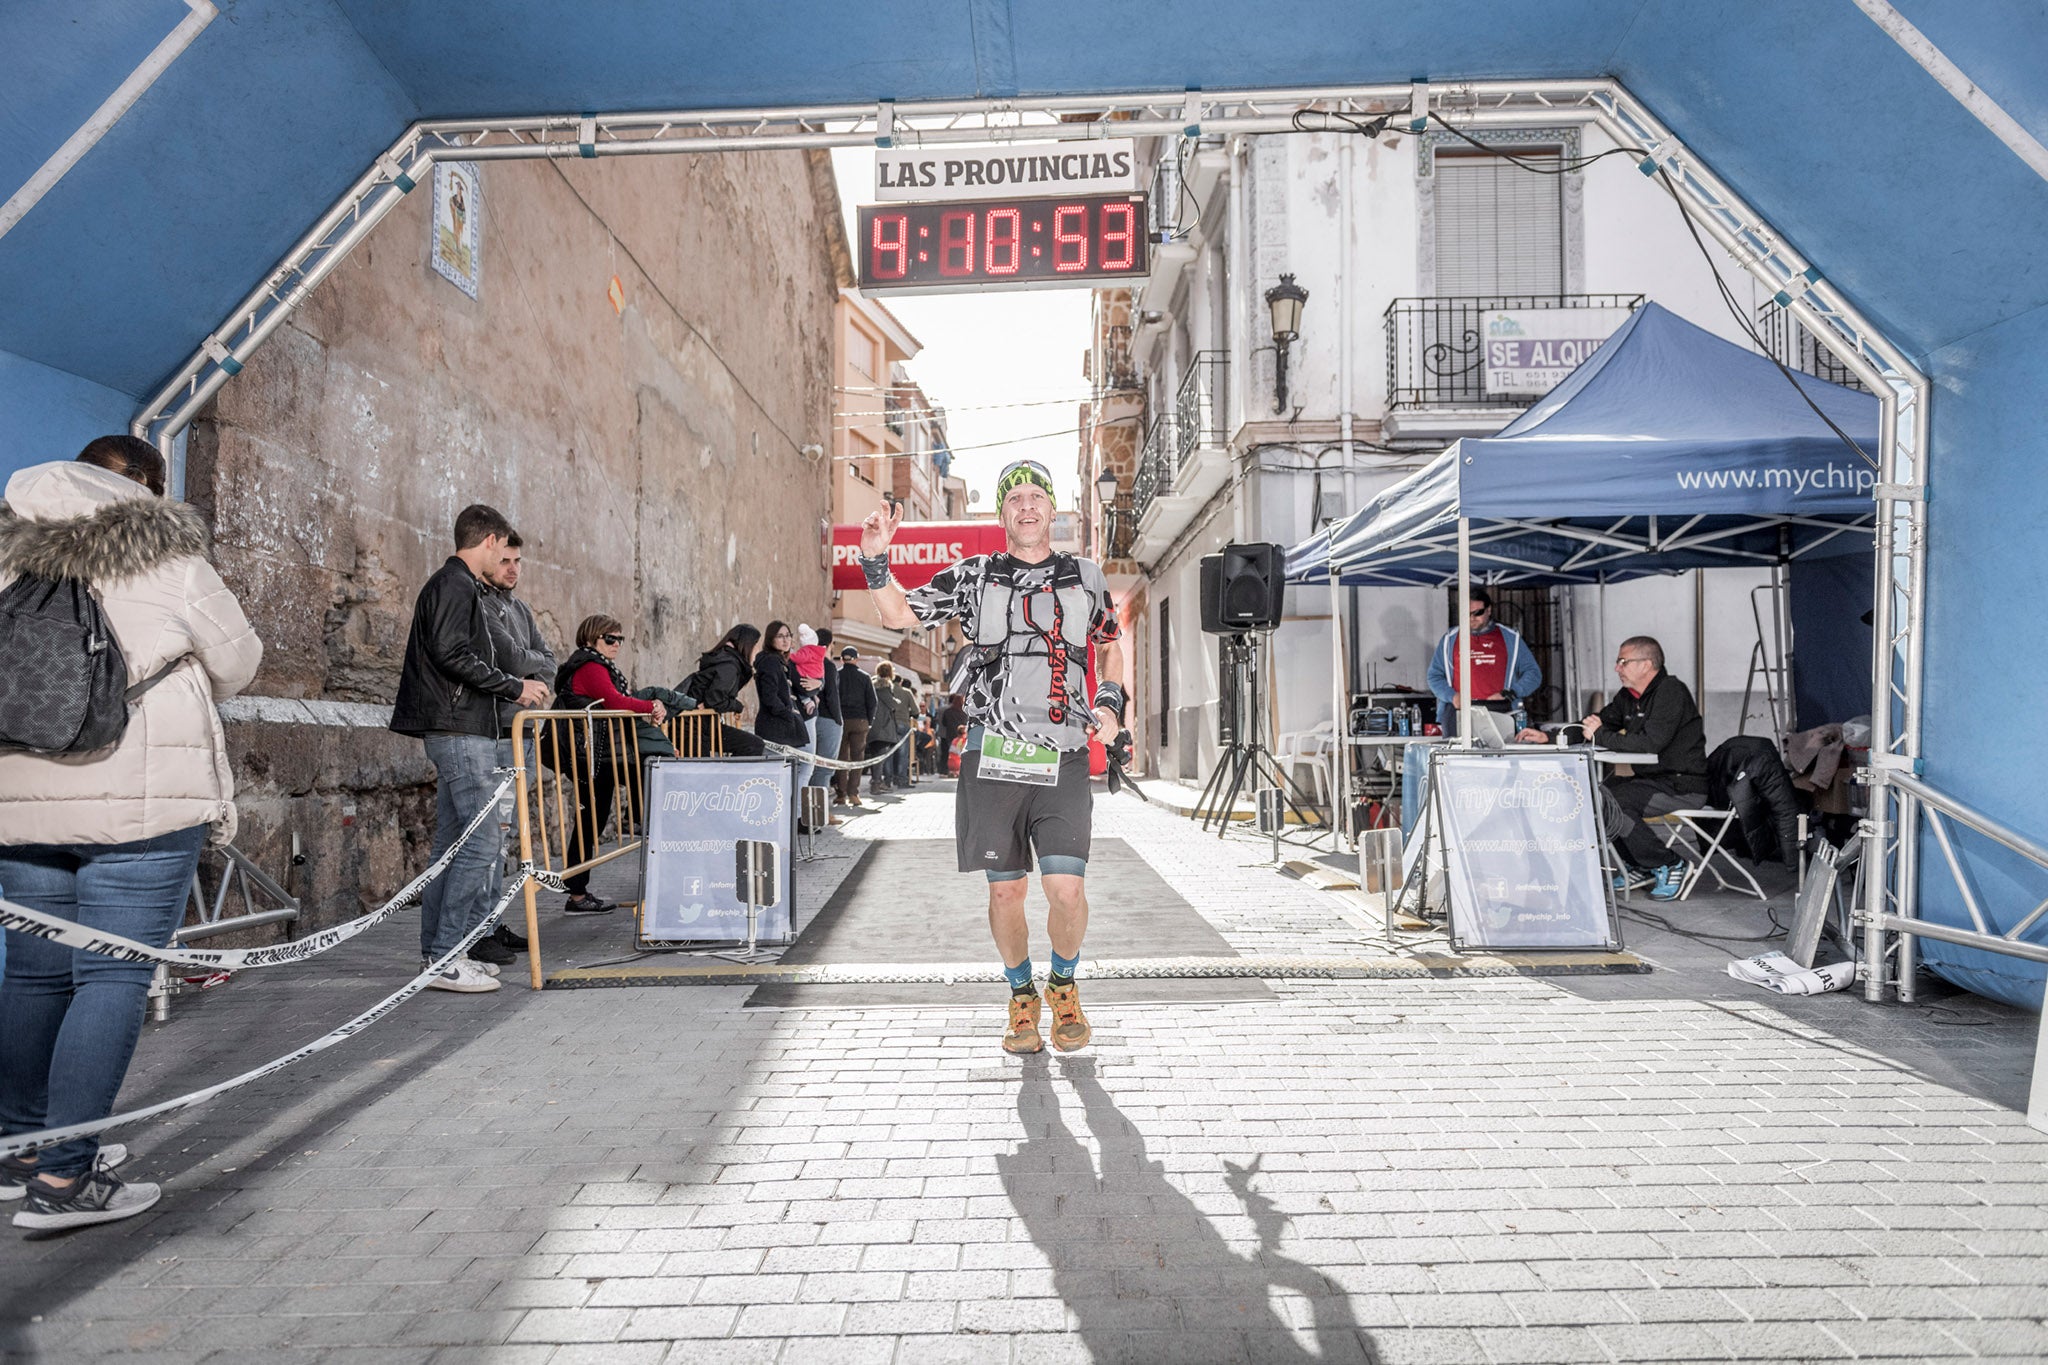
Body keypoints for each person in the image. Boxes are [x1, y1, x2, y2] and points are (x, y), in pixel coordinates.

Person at [0, 436, 263, 1230]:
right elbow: (239, 659)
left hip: (20, 799)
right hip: (138, 803)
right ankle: (65, 1181)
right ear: (146, 489)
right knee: (111, 979)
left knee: (34, 977)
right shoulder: (164, 555)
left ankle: (22, 1146)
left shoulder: (7, 557)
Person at [858, 458, 1125, 1055]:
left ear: (1051, 510)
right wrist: (876, 558)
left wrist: (1108, 706)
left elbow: (1110, 649)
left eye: (1037, 496)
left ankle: (1062, 983)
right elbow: (899, 614)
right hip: (993, 756)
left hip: (1063, 755)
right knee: (1006, 892)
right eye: (1015, 499)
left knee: (1068, 891)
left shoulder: (1085, 576)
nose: (1027, 506)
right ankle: (1020, 995)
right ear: (1002, 511)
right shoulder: (975, 575)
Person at [391, 504, 550, 993]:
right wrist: (513, 686)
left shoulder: (461, 586)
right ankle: (445, 957)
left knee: (451, 846)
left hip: (463, 728)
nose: (508, 561)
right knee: (481, 843)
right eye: (504, 550)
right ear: (489, 541)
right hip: (459, 731)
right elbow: (451, 653)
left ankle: (438, 955)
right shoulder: (456, 585)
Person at [552, 614, 666, 914]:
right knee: (591, 822)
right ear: (591, 639)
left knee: (599, 816)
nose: (617, 645)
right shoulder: (589, 666)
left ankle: (646, 830)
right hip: (593, 757)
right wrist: (649, 707)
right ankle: (576, 893)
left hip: (606, 756)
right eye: (610, 639)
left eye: (620, 639)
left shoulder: (598, 664)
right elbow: (614, 701)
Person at [479, 530, 555, 960]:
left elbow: (550, 660)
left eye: (518, 561)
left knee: (506, 836)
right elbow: (510, 660)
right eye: (505, 560)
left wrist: (539, 667)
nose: (513, 569)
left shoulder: (520, 608)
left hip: (524, 734)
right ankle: (479, 929)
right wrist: (536, 667)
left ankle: (493, 919)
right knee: (490, 834)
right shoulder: (484, 605)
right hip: (497, 733)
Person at [1585, 635, 1709, 901]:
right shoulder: (1628, 697)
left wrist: (1600, 735)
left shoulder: (1670, 691)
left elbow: (1651, 744)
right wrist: (1551, 737)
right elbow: (1596, 723)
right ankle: (1640, 865)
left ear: (1646, 664)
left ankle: (1670, 862)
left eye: (1623, 662)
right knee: (1598, 794)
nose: (1617, 668)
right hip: (1651, 781)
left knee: (1616, 801)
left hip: (1681, 785)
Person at [1426, 586, 1540, 737]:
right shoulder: (1449, 639)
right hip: (1458, 711)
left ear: (1489, 610)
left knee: (1500, 759)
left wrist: (1511, 693)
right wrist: (1452, 696)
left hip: (1500, 709)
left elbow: (1533, 674)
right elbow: (1434, 676)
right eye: (1466, 614)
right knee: (1456, 760)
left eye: (1477, 613)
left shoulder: (1510, 638)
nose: (1471, 618)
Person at [681, 624, 764, 757]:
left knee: (753, 744)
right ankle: (730, 776)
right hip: (692, 729)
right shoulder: (729, 665)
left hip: (704, 726)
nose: (759, 649)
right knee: (752, 745)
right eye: (757, 644)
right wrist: (737, 706)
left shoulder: (726, 660)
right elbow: (714, 700)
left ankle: (730, 776)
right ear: (747, 644)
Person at [750, 620, 811, 760]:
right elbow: (769, 696)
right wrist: (786, 713)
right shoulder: (770, 661)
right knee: (780, 771)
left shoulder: (779, 660)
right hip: (775, 726)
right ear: (770, 639)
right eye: (780, 636)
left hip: (781, 725)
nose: (786, 640)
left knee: (796, 768)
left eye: (788, 635)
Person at [808, 629, 843, 822]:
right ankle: (820, 813)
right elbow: (832, 695)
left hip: (812, 718)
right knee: (825, 768)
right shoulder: (828, 666)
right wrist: (839, 720)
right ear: (829, 644)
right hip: (828, 720)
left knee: (811, 768)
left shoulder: (808, 662)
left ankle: (811, 812)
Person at [834, 646, 875, 807]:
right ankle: (853, 794)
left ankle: (840, 794)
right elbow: (872, 701)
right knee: (858, 758)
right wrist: (869, 721)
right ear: (856, 658)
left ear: (842, 659)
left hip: (841, 720)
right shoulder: (865, 677)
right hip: (860, 721)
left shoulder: (836, 675)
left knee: (841, 758)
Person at [789, 624, 827, 791]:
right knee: (804, 764)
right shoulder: (818, 656)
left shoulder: (798, 657)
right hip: (797, 714)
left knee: (806, 764)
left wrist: (817, 686)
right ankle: (796, 813)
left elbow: (821, 684)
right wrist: (816, 687)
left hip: (805, 715)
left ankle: (798, 813)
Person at [867, 662, 905, 794]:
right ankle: (876, 784)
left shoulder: (871, 685)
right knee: (880, 757)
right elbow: (892, 704)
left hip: (871, 725)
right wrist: (898, 702)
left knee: (874, 755)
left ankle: (875, 781)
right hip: (882, 727)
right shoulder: (885, 687)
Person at [939, 692, 970, 774]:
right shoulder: (964, 712)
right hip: (961, 736)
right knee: (962, 754)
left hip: (950, 735)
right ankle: (960, 770)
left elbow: (944, 723)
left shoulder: (947, 711)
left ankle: (947, 770)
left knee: (950, 754)